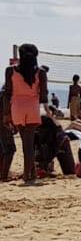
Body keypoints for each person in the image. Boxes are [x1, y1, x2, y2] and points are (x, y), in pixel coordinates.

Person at [5, 43, 44, 185]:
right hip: (32, 107)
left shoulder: (10, 70)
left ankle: (30, 173)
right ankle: (28, 174)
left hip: (17, 107)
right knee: (29, 143)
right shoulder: (40, 72)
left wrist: (5, 114)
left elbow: (7, 93)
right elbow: (43, 96)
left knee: (25, 142)